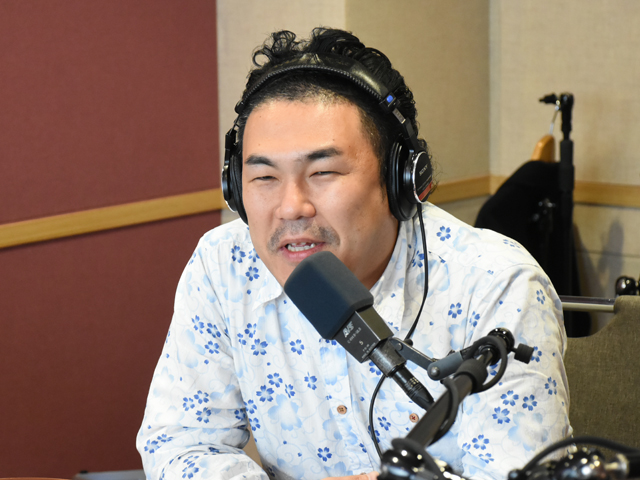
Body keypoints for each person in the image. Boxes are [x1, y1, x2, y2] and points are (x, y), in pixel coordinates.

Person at [137, 28, 571, 480]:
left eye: (323, 172)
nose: (291, 207)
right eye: (264, 178)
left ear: (401, 180)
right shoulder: (224, 265)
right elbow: (180, 443)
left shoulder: (495, 285)